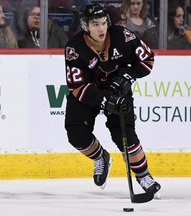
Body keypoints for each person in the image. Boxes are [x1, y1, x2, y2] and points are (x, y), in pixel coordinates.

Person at [64, 3, 161, 199]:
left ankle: (143, 176)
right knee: (76, 133)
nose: (101, 28)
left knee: (124, 135)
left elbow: (147, 60)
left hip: (118, 89)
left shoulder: (122, 36)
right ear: (86, 26)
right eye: (95, 24)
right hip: (89, 92)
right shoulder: (74, 47)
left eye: (103, 23)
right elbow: (76, 86)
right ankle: (100, 157)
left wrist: (127, 76)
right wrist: (103, 101)